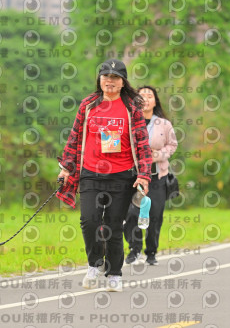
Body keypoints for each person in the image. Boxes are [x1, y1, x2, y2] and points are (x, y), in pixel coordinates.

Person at [56, 59, 152, 292]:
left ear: (123, 82)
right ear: (99, 80)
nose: (110, 81)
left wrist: (144, 175)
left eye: (116, 77)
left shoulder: (131, 108)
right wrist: (66, 168)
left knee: (113, 225)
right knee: (89, 220)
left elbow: (142, 143)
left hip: (121, 175)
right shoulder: (88, 105)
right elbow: (75, 137)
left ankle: (115, 274)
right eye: (106, 76)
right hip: (90, 172)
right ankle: (95, 263)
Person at [124, 85, 178, 266]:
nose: (146, 99)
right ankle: (134, 249)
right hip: (133, 177)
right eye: (141, 96)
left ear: (155, 101)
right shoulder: (129, 121)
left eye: (150, 96)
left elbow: (172, 145)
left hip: (157, 177)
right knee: (131, 213)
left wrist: (158, 155)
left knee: (155, 215)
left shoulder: (164, 124)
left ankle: (151, 251)